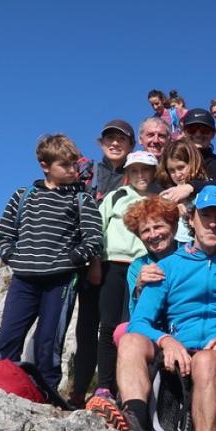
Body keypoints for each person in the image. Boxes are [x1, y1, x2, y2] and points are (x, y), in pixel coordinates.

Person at [116, 185, 216, 431]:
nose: (212, 224)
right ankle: (136, 423)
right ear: (191, 219)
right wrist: (165, 340)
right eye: (205, 216)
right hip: (177, 348)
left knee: (205, 360)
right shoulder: (167, 266)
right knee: (130, 341)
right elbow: (138, 321)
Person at [0, 134, 102, 391]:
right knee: (8, 337)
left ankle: (47, 394)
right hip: (23, 280)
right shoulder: (23, 196)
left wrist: (73, 258)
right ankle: (0, 387)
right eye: (64, 165)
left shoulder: (81, 199)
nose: (73, 170)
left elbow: (94, 238)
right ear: (45, 165)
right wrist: (12, 256)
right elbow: (4, 235)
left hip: (61, 281)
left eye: (74, 164)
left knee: (49, 343)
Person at [84, 195, 182, 431]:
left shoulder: (189, 255)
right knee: (122, 332)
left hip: (184, 329)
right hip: (154, 332)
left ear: (173, 226)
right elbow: (134, 314)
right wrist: (139, 288)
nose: (153, 234)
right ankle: (133, 415)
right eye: (145, 231)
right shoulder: (137, 266)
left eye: (159, 226)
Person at [87, 151, 157, 402]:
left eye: (145, 170)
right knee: (108, 325)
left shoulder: (157, 199)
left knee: (132, 325)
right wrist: (95, 263)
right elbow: (98, 228)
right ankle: (105, 386)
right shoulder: (115, 196)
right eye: (135, 170)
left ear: (153, 173)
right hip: (113, 265)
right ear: (127, 173)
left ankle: (128, 387)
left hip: (144, 266)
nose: (141, 175)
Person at [159, 109, 216, 203]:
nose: (198, 134)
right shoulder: (172, 163)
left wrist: (190, 187)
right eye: (192, 130)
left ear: (213, 134)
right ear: (184, 132)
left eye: (204, 130)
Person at [158, 138, 209, 243]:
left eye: (181, 167)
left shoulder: (208, 188)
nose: (177, 175)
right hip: (177, 246)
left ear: (193, 163)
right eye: (172, 170)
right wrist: (173, 207)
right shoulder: (167, 194)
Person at [92, 119, 134, 201]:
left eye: (122, 138)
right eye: (110, 137)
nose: (115, 143)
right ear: (101, 143)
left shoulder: (136, 177)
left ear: (131, 146)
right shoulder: (88, 173)